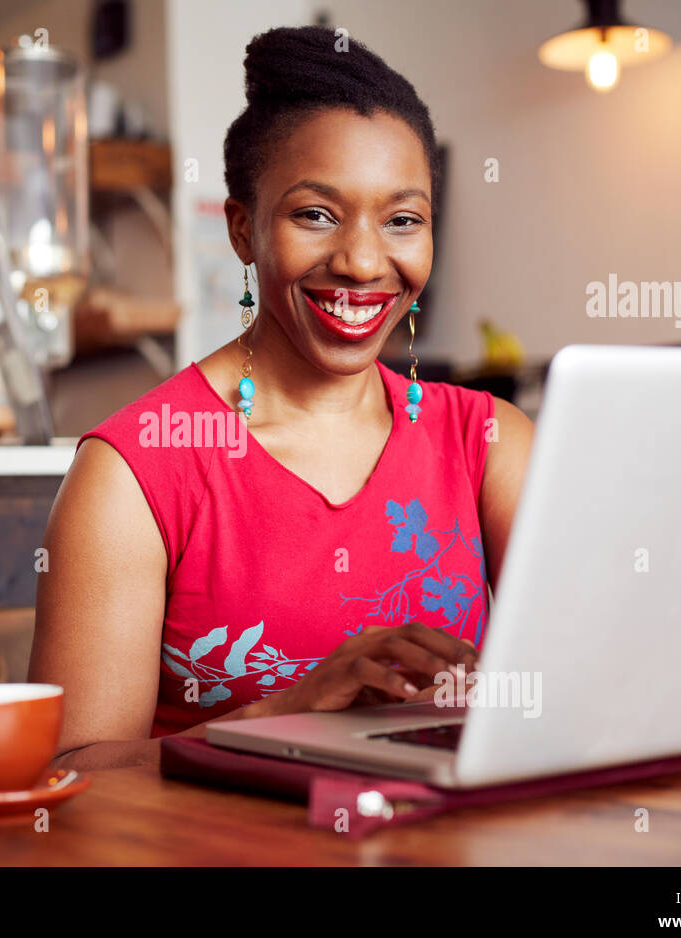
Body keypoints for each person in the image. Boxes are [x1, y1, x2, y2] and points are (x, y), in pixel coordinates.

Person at [29, 25, 533, 770]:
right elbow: (69, 778)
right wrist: (289, 711)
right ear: (243, 230)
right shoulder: (133, 474)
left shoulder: (488, 441)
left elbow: (593, 683)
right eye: (315, 214)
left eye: (403, 220)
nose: (363, 262)